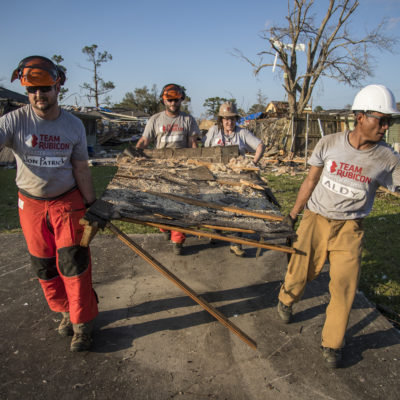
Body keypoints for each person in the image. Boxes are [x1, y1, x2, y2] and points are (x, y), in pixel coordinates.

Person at [277, 84, 400, 368]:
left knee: (345, 285)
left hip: (350, 229)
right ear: (360, 116)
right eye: (381, 120)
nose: (385, 127)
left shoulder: (387, 158)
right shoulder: (330, 142)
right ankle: (286, 298)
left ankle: (332, 343)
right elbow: (310, 180)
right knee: (299, 272)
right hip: (315, 220)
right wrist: (293, 214)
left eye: (389, 121)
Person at [0, 56, 98, 352]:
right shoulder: (14, 120)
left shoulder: (73, 125)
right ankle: (65, 312)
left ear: (58, 87)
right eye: (32, 90)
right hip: (29, 204)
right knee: (44, 266)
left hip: (66, 202)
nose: (38, 95)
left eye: (44, 88)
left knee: (74, 263)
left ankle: (82, 324)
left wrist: (92, 204)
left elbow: (81, 168)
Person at [136, 83, 199, 255]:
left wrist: (194, 163)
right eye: (169, 100)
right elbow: (144, 141)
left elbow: (193, 143)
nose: (173, 103)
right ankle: (164, 228)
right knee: (159, 203)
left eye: (176, 100)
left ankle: (178, 240)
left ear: (181, 99)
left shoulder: (188, 120)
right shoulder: (155, 119)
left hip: (181, 167)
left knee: (180, 203)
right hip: (159, 167)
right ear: (164, 100)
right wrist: (135, 153)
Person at [203, 101, 265, 257]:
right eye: (225, 119)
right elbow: (203, 150)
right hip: (216, 175)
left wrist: (253, 163)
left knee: (237, 210)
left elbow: (260, 146)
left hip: (237, 179)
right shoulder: (213, 132)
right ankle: (216, 232)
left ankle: (235, 243)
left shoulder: (242, 133)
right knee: (215, 204)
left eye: (231, 119)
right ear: (221, 120)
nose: (229, 122)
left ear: (236, 119)